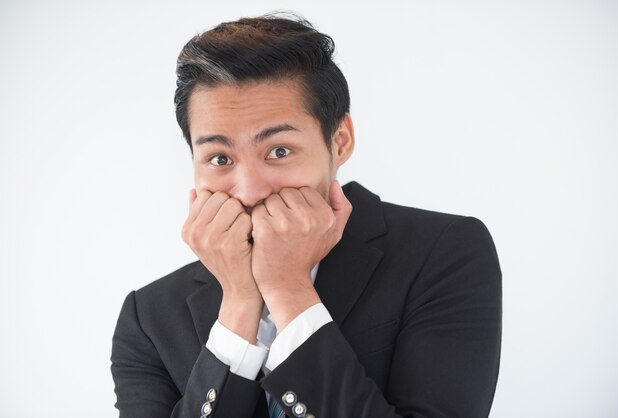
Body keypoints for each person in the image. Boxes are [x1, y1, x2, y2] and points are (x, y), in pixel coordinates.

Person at [111, 13, 502, 418]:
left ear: (340, 141)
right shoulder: (148, 316)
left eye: (279, 151)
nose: (249, 190)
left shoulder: (444, 252)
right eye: (220, 158)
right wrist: (239, 305)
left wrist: (289, 290)